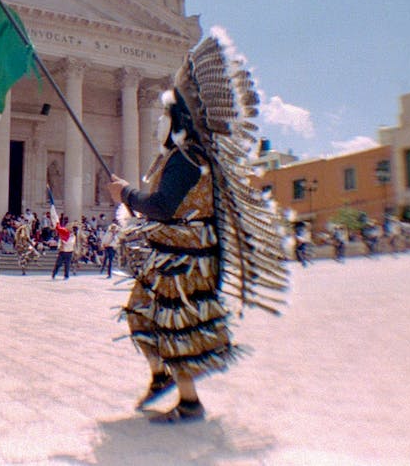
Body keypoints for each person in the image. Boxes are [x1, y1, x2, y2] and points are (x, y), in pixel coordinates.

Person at [108, 33, 287, 423]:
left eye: (163, 115)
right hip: (173, 254)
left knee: (177, 322)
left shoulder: (187, 159)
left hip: (184, 258)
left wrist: (125, 194)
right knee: (140, 312)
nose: (158, 121)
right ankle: (160, 376)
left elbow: (162, 206)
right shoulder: (184, 157)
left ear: (176, 119)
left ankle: (189, 402)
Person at [50, 215, 75, 280]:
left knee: (67, 264)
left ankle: (66, 275)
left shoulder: (72, 236)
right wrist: (59, 245)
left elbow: (71, 242)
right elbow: (60, 241)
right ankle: (54, 274)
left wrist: (64, 241)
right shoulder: (64, 234)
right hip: (62, 251)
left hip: (69, 251)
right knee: (58, 263)